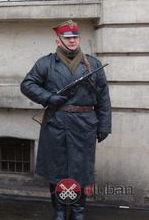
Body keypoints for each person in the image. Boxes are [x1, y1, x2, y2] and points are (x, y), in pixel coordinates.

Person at [20, 20, 111, 220]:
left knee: (81, 170)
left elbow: (103, 97)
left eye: (75, 37)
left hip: (84, 123)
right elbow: (27, 85)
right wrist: (49, 98)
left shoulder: (92, 64)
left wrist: (104, 124)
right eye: (68, 38)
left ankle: (78, 211)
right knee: (57, 169)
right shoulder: (46, 63)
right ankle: (60, 210)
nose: (72, 41)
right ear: (58, 40)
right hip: (56, 122)